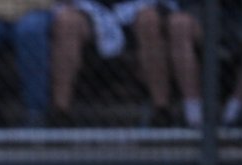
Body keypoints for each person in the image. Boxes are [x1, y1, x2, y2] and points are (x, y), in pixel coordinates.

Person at [49, 0, 186, 127]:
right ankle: (61, 112)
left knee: (149, 20)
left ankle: (161, 109)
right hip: (90, 9)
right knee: (67, 22)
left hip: (137, 7)